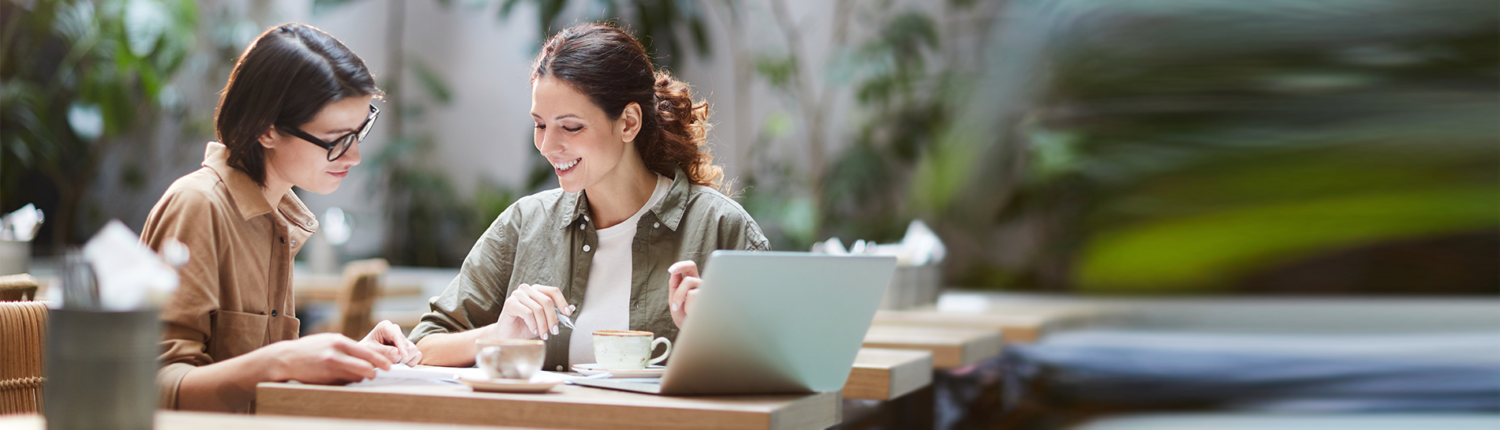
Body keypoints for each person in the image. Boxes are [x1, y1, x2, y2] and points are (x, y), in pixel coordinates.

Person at [409, 23, 769, 371]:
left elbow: (785, 377)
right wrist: (500, 335)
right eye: (539, 125)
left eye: (571, 126)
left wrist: (714, 339)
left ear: (628, 122)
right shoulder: (524, 225)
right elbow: (423, 346)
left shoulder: (721, 229)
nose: (548, 146)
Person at [140, 23, 420, 412]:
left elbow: (253, 376)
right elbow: (152, 385)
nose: (354, 156)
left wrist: (347, 355)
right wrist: (284, 360)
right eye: (337, 140)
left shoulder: (277, 217)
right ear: (267, 130)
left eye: (360, 132)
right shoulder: (198, 206)